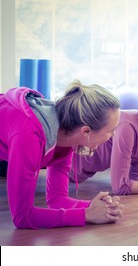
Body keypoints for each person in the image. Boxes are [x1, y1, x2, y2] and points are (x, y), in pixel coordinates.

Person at [0, 80, 123, 229]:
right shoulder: (28, 136)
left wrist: (98, 207)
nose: (114, 135)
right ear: (85, 132)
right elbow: (22, 217)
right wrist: (87, 215)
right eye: (110, 130)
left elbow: (57, 199)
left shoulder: (66, 136)